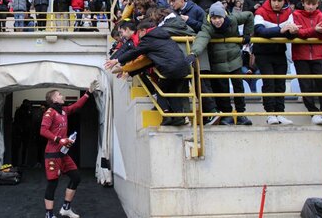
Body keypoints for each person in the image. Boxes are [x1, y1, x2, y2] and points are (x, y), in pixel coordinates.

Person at [105, 20, 190, 126]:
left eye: (139, 33)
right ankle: (179, 117)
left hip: (169, 68)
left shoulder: (148, 40)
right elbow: (148, 62)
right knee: (172, 92)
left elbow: (135, 53)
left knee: (161, 91)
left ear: (143, 31)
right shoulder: (163, 36)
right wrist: (128, 71)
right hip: (183, 68)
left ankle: (166, 116)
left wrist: (117, 61)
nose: (139, 36)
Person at [186, 1, 254, 125]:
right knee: (223, 90)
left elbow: (249, 15)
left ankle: (241, 114)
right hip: (218, 63)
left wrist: (247, 34)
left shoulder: (233, 19)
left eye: (219, 17)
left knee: (239, 88)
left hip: (235, 60)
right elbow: (201, 39)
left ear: (224, 16)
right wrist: (193, 53)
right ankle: (226, 115)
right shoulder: (207, 27)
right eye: (214, 18)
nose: (217, 21)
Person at [40, 80, 99, 218]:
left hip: (63, 154)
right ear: (54, 99)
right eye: (59, 94)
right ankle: (49, 215)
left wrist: (88, 93)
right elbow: (43, 131)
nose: (62, 96)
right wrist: (59, 139)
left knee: (76, 177)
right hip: (52, 154)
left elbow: (76, 106)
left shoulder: (64, 111)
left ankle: (66, 208)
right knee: (52, 184)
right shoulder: (50, 112)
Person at [254, 0, 298, 125]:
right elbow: (260, 31)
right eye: (274, 0)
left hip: (280, 52)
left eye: (280, 0)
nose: (277, 3)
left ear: (284, 1)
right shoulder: (260, 11)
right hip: (263, 53)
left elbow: (290, 35)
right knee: (269, 83)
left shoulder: (288, 13)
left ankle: (280, 113)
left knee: (280, 84)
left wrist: (292, 31)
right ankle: (270, 114)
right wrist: (281, 29)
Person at [292, 0, 322, 125]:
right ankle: (313, 112)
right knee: (306, 85)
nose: (310, 6)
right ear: (303, 3)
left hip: (317, 55)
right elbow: (298, 33)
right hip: (300, 56)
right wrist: (314, 30)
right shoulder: (296, 14)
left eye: (313, 4)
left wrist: (318, 32)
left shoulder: (320, 15)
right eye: (307, 3)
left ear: (317, 4)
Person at [14, 99, 33, 165]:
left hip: (20, 131)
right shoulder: (26, 111)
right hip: (23, 131)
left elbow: (16, 121)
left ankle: (17, 162)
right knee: (23, 148)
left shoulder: (20, 110)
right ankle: (22, 162)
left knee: (19, 148)